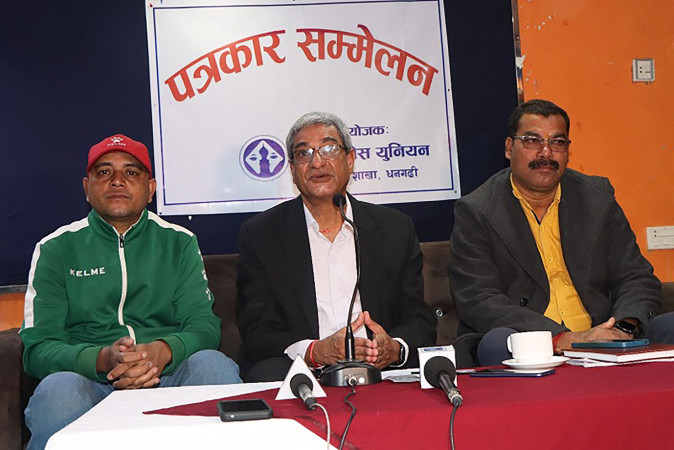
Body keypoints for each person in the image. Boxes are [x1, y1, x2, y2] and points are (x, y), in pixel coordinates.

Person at [21, 134, 241, 449]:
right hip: (89, 380)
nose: (117, 181)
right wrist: (101, 359)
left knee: (214, 366)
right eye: (104, 172)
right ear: (86, 188)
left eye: (131, 172)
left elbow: (204, 326)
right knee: (58, 392)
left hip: (169, 375)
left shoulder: (179, 241)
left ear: (150, 189)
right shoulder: (55, 248)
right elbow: (38, 349)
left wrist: (162, 351)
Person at [449, 99, 674, 366]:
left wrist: (623, 328)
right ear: (509, 148)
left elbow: (636, 276)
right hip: (531, 341)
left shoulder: (597, 198)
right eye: (532, 141)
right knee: (499, 342)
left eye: (557, 142)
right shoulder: (477, 210)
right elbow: (477, 298)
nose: (546, 153)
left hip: (603, 332)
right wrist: (562, 338)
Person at [236, 112, 436, 381]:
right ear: (293, 170)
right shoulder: (262, 235)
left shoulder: (395, 229)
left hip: (379, 372)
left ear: (350, 160)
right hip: (304, 372)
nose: (317, 162)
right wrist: (315, 351)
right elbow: (257, 328)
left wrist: (394, 349)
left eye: (328, 149)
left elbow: (418, 318)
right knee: (268, 373)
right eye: (304, 153)